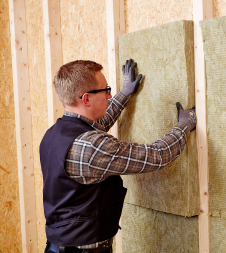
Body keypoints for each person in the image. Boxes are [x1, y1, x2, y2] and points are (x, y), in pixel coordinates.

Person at [40, 59, 196, 253]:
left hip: (59, 246)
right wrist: (184, 125)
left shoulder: (53, 134)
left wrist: (125, 93)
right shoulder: (92, 147)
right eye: (105, 90)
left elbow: (98, 124)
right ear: (86, 99)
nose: (109, 95)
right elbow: (156, 155)